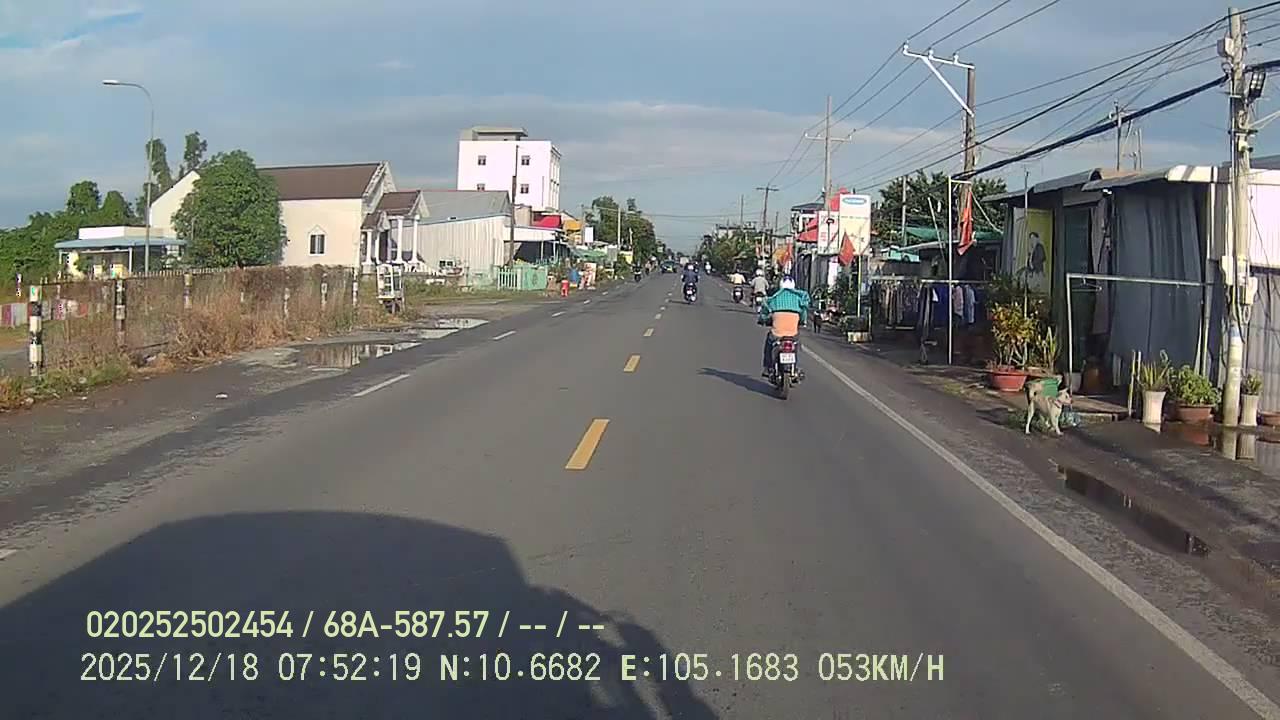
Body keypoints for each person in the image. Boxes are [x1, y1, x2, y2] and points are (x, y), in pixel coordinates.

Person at [759, 275, 811, 379]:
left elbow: (765, 312)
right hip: (792, 335)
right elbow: (803, 314)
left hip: (777, 334)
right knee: (796, 345)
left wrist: (763, 320)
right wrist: (802, 321)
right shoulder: (799, 298)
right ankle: (794, 368)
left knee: (769, 343)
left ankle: (767, 367)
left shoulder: (774, 298)